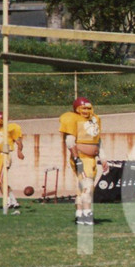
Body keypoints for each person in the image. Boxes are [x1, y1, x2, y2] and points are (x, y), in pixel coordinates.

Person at [59, 96, 108, 226]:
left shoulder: (94, 119)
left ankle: (79, 215)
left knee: (82, 189)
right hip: (81, 158)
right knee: (88, 186)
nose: (86, 111)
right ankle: (87, 213)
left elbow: (98, 141)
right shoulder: (72, 118)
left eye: (88, 108)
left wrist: (102, 157)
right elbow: (70, 141)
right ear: (76, 109)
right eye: (83, 108)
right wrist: (76, 158)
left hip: (92, 159)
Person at [0, 111, 24, 214]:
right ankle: (13, 201)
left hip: (5, 155)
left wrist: (19, 151)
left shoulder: (9, 129)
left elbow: (18, 142)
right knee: (0, 182)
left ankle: (7, 201)